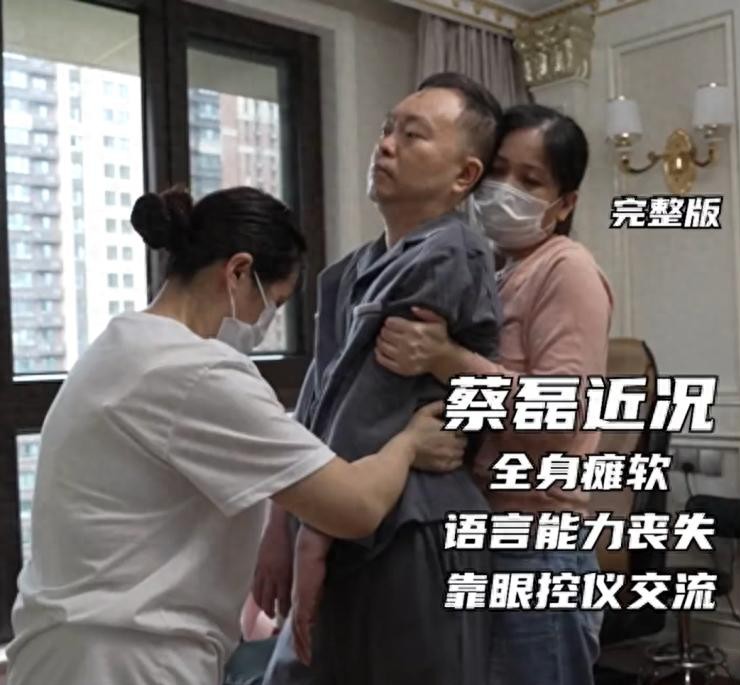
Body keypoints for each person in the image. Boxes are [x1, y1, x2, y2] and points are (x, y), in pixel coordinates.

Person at [6, 186, 466, 685]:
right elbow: (355, 506)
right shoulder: (196, 371)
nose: (264, 324)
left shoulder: (121, 346)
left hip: (64, 651)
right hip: (127, 660)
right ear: (239, 271)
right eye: (273, 303)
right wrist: (408, 444)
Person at [257, 73, 503, 685]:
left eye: (413, 135)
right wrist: (281, 519)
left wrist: (312, 533)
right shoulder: (347, 273)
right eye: (388, 129)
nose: (386, 144)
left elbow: (373, 402)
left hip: (413, 523)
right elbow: (318, 399)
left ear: (464, 175)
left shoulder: (450, 253)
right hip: (340, 510)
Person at [374, 104, 613, 685]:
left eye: (530, 180)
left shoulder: (567, 268)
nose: (506, 190)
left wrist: (448, 359)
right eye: (499, 171)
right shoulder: (494, 269)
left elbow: (560, 415)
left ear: (565, 203)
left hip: (537, 541)